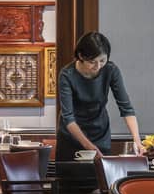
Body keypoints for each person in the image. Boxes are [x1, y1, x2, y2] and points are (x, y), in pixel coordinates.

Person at [56, 31, 140, 161]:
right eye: (92, 62)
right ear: (81, 56)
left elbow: (126, 109)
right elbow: (68, 118)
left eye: (102, 60)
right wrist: (90, 147)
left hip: (100, 133)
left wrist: (137, 141)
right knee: (70, 178)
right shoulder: (67, 75)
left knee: (100, 178)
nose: (98, 66)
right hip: (71, 137)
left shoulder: (111, 70)